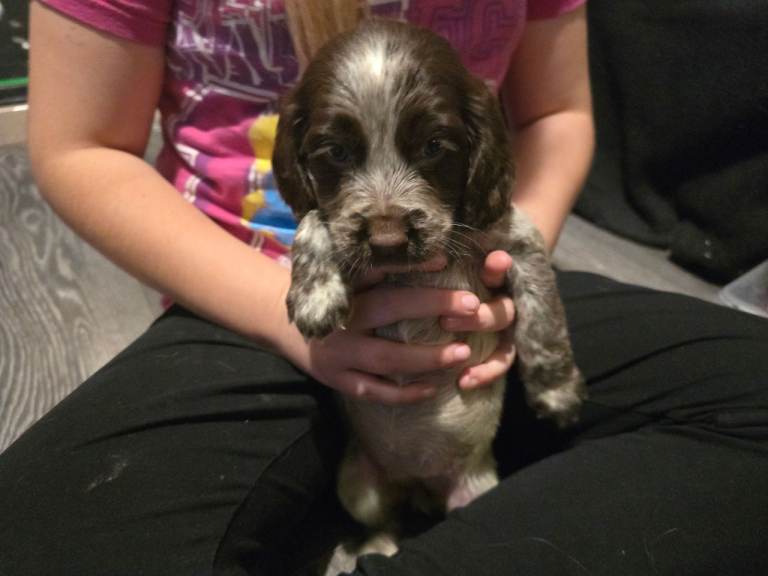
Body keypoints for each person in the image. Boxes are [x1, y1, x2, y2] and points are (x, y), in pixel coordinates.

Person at [1, 1, 766, 575]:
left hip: (469, 277)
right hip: (252, 293)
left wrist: (500, 266)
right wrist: (284, 316)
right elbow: (81, 145)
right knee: (44, 533)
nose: (390, 224)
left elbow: (556, 114)